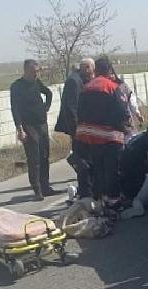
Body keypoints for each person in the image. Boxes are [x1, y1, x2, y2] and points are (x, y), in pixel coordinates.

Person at [76, 56, 130, 208]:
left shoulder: (87, 87)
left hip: (92, 137)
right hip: (111, 136)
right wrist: (123, 127)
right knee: (113, 169)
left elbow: (79, 111)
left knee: (98, 169)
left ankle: (100, 199)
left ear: (96, 70)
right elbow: (122, 111)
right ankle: (113, 200)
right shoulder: (112, 87)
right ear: (109, 69)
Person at [10, 59, 58, 201]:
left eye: (37, 71)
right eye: (34, 71)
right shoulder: (17, 86)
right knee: (34, 158)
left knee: (44, 156)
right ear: (26, 70)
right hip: (28, 126)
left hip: (41, 124)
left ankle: (46, 186)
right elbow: (15, 108)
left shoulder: (37, 83)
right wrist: (20, 129)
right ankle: (37, 190)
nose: (36, 74)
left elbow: (48, 93)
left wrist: (46, 107)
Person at [55, 58, 96, 199]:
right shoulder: (74, 81)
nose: (93, 73)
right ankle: (85, 191)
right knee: (81, 158)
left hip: (80, 128)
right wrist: (77, 129)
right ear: (87, 67)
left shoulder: (79, 79)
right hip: (76, 128)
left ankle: (87, 187)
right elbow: (72, 107)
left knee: (84, 158)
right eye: (92, 70)